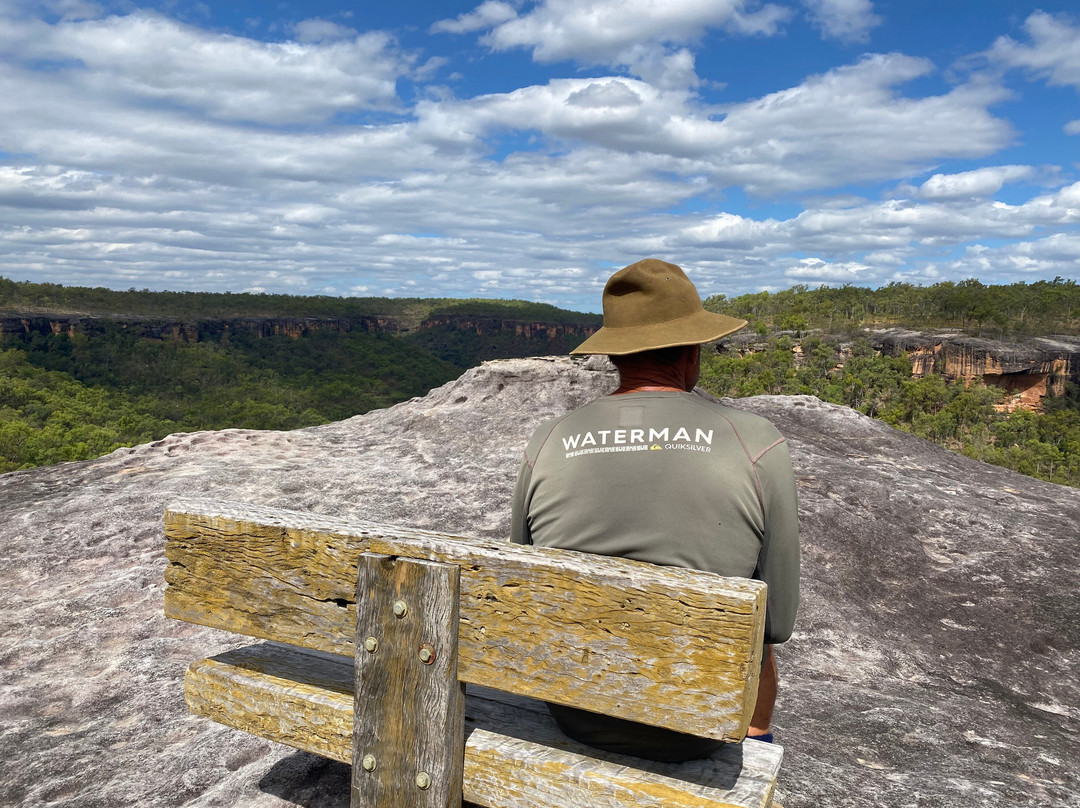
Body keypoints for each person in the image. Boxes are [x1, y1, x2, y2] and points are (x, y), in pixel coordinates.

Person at [510, 258, 800, 762]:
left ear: (616, 357)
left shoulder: (548, 439)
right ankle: (754, 750)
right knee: (754, 631)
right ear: (691, 352)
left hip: (577, 710)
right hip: (698, 723)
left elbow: (520, 579)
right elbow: (777, 620)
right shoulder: (755, 441)